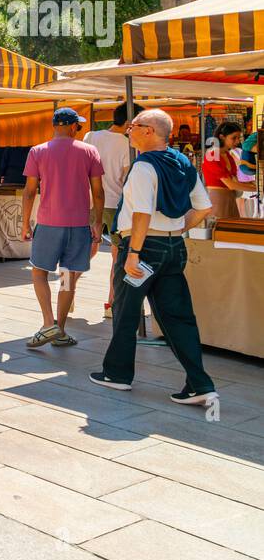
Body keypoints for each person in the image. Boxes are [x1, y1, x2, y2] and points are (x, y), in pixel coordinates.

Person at [91, 109, 218, 406]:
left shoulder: (144, 166)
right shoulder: (184, 163)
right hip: (174, 247)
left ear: (149, 131)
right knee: (179, 317)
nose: (128, 131)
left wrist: (133, 253)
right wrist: (177, 229)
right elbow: (203, 208)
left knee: (126, 311)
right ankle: (200, 383)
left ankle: (117, 374)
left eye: (133, 127)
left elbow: (142, 213)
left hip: (144, 247)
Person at [21, 108, 104, 348]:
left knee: (39, 272)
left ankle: (49, 323)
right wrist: (97, 222)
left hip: (48, 223)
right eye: (79, 127)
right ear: (71, 126)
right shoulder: (89, 151)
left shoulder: (37, 151)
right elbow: (97, 192)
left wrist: (26, 223)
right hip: (79, 225)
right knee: (68, 276)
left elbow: (29, 192)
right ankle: (61, 329)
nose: (79, 130)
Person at [83, 104, 142, 319]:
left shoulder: (91, 136)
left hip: (87, 202)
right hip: (116, 204)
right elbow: (128, 179)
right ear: (129, 123)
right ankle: (111, 304)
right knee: (118, 257)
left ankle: (66, 292)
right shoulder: (128, 145)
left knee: (83, 252)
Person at [201, 121, 251, 220]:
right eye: (234, 138)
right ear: (222, 137)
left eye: (238, 138)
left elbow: (234, 181)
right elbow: (231, 184)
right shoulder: (212, 155)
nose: (237, 141)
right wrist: (256, 189)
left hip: (230, 199)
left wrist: (252, 184)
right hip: (217, 200)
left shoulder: (228, 156)